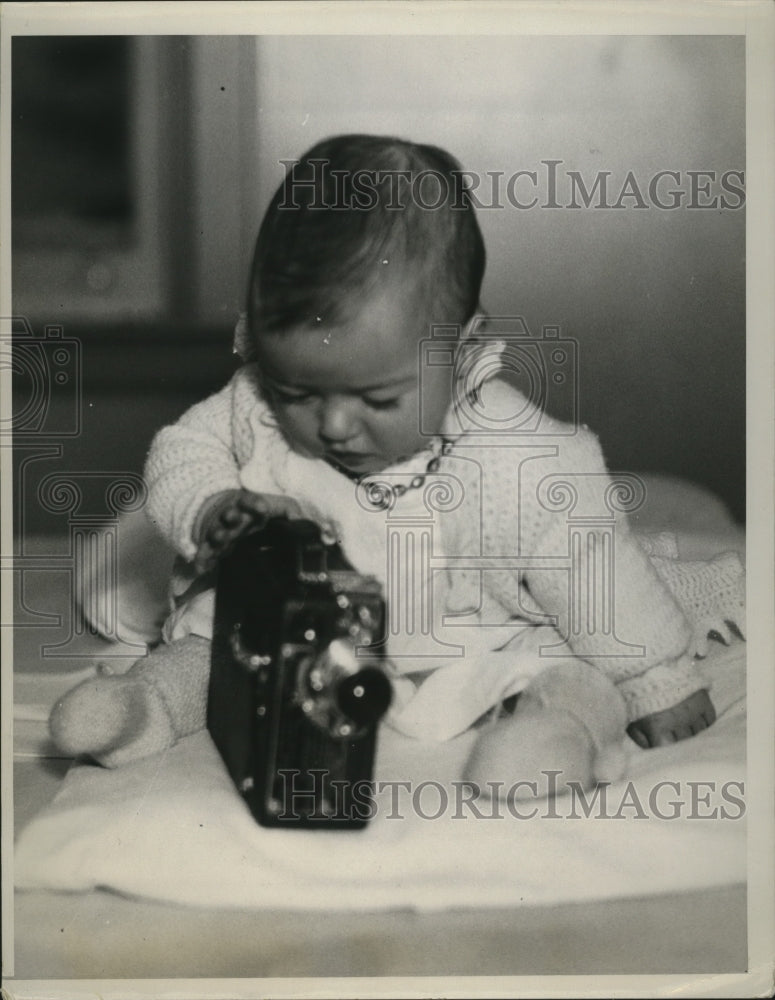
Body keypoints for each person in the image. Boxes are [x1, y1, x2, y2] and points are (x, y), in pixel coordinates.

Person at [49, 134, 744, 795]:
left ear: (462, 350)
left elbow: (595, 566)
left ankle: (553, 735)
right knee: (210, 649)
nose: (334, 424)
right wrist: (209, 506)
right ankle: (142, 710)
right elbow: (182, 453)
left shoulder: (514, 451)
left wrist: (655, 677)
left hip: (460, 633)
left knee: (559, 666)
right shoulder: (253, 406)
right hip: (291, 635)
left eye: (377, 397)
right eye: (299, 391)